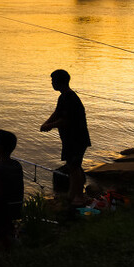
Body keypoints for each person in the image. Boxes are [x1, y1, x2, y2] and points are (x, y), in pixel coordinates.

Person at [40, 69, 90, 206]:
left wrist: (50, 126)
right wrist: (46, 123)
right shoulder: (63, 97)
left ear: (59, 81)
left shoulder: (69, 97)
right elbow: (57, 113)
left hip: (76, 138)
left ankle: (77, 196)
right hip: (71, 139)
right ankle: (75, 195)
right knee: (74, 166)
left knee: (74, 167)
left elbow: (66, 120)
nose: (51, 83)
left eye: (52, 80)